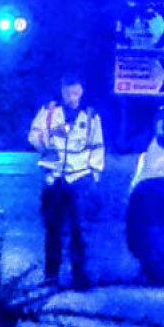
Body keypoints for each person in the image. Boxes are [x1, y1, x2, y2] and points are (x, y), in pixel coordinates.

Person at [27, 74, 104, 290]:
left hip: (79, 178)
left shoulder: (90, 117)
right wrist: (47, 140)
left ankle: (79, 277)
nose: (72, 97)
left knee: (80, 231)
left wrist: (94, 173)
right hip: (54, 178)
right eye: (68, 92)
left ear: (81, 92)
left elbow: (97, 146)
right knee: (53, 230)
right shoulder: (49, 113)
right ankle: (51, 277)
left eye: (76, 92)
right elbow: (33, 137)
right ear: (62, 91)